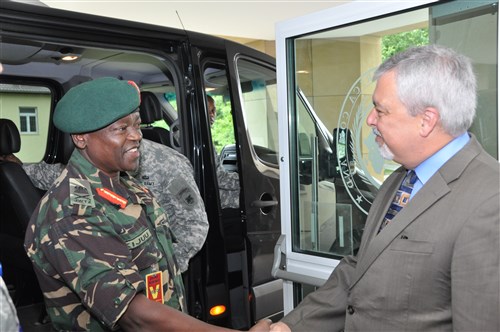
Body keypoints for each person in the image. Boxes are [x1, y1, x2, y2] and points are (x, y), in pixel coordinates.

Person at [262, 45, 500, 331]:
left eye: (380, 110)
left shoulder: (490, 200)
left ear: (426, 120)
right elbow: (360, 268)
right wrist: (289, 327)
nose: (371, 120)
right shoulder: (400, 179)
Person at [22, 77, 262, 331]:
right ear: (81, 138)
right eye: (121, 129)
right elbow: (133, 315)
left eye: (136, 125)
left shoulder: (127, 185)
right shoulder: (71, 212)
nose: (136, 136)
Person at [15, 138, 208, 273]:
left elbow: (194, 225)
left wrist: (165, 267)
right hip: (115, 264)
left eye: (129, 126)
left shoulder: (167, 163)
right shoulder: (96, 160)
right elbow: (59, 175)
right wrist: (17, 168)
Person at [207, 95, 240, 209]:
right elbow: (220, 179)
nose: (212, 114)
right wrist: (246, 179)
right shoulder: (203, 141)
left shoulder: (179, 136)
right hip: (206, 196)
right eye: (209, 110)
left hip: (202, 191)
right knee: (250, 197)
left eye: (213, 110)